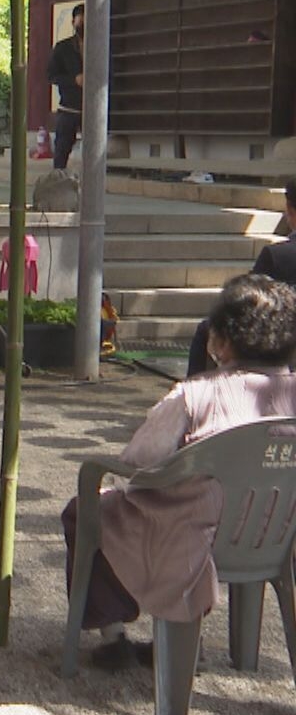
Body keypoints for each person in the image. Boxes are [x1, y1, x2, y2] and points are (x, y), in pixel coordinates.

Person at [64, 275, 296, 668]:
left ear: (221, 339)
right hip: (274, 536)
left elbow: (138, 461)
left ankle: (114, 632)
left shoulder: (195, 395)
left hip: (189, 540)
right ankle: (214, 646)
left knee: (84, 510)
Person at [187, 178, 296, 375]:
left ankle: (195, 397)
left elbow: (245, 304)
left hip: (283, 345)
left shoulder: (278, 256)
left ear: (290, 210)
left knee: (210, 329)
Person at [47, 4, 84, 172]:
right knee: (61, 152)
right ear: (73, 22)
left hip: (91, 109)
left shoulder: (101, 47)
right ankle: (57, 182)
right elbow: (51, 76)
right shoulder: (63, 48)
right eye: (80, 21)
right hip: (68, 108)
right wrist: (73, 80)